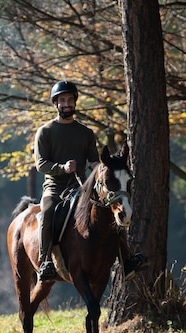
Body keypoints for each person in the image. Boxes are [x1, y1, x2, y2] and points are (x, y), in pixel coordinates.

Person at [34, 80, 146, 281]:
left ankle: (126, 259)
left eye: (70, 100)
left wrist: (102, 168)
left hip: (81, 186)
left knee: (110, 209)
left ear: (75, 102)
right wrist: (62, 168)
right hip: (54, 188)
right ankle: (46, 263)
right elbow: (40, 164)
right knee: (49, 211)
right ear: (55, 104)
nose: (67, 104)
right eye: (62, 100)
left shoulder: (86, 133)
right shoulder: (45, 131)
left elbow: (94, 161)